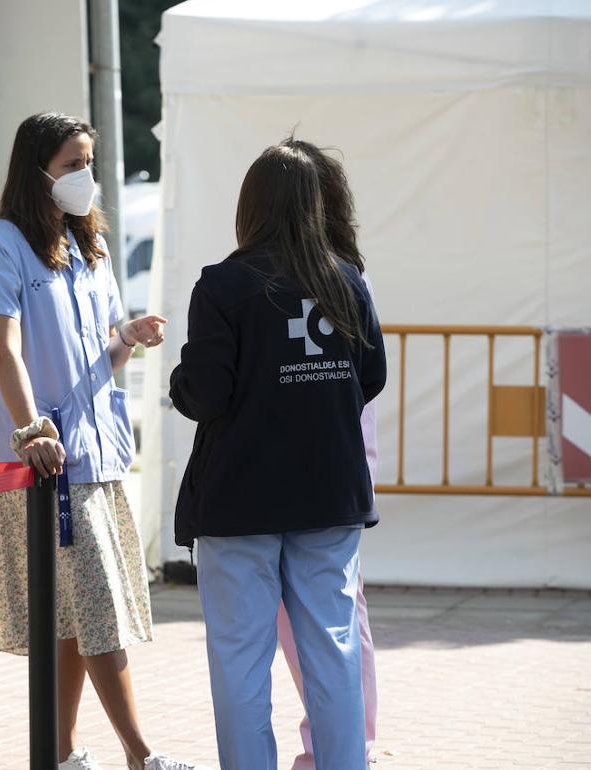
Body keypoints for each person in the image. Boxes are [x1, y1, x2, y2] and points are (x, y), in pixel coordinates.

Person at [0, 112, 198, 770]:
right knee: (98, 614)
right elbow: (4, 349)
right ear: (36, 170)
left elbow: (101, 353)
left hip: (95, 457)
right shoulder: (0, 244)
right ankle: (141, 757)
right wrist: (30, 428)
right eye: (72, 164)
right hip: (44, 462)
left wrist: (128, 337)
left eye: (88, 163)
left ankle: (61, 753)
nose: (85, 176)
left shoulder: (87, 246)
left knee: (73, 618)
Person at [169, 139, 386, 770]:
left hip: (241, 497)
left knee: (240, 657)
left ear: (251, 206)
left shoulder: (223, 285)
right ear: (315, 204)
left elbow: (205, 393)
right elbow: (370, 377)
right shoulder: (346, 281)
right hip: (330, 492)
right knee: (334, 650)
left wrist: (180, 380)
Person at [273, 140, 380, 770]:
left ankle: (341, 747)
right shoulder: (327, 274)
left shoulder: (342, 277)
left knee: (332, 616)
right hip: (321, 470)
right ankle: (337, 744)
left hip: (331, 469)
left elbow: (370, 374)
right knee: (318, 616)